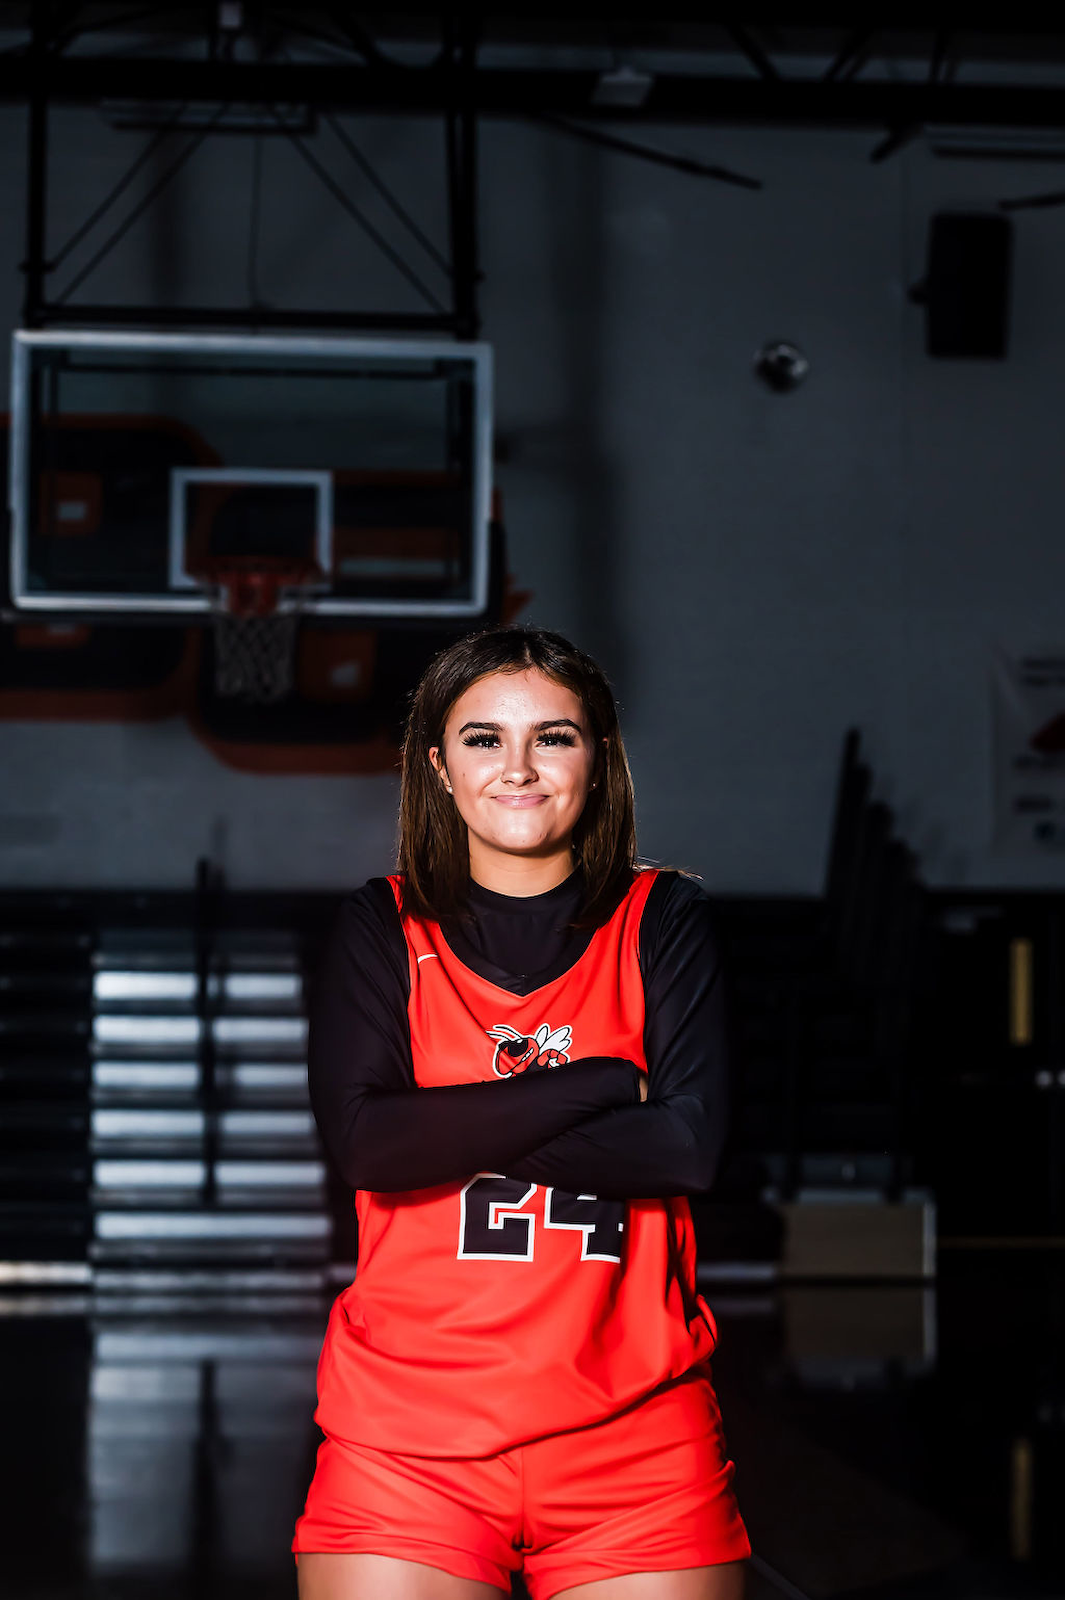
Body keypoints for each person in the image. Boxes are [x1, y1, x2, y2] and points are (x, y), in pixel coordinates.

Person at [293, 624, 750, 1600]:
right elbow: (368, 1146)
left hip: (638, 1443)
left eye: (553, 736)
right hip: (405, 1444)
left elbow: (686, 1146)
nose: (518, 768)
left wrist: (438, 1126)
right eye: (483, 738)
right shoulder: (383, 925)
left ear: (599, 757)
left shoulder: (663, 917)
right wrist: (604, 1081)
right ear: (438, 767)